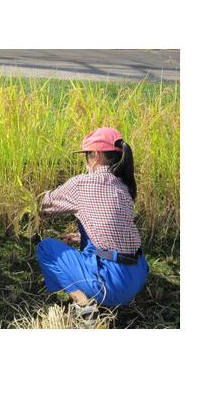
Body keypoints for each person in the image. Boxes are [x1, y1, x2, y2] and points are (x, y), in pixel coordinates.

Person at [36, 127, 149, 317]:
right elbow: (115, 225)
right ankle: (98, 287)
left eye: (86, 156)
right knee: (86, 235)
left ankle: (84, 304)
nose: (86, 161)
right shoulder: (124, 186)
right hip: (138, 273)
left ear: (95, 155)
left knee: (46, 249)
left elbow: (44, 207)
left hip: (113, 284)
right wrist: (83, 236)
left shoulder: (82, 184)